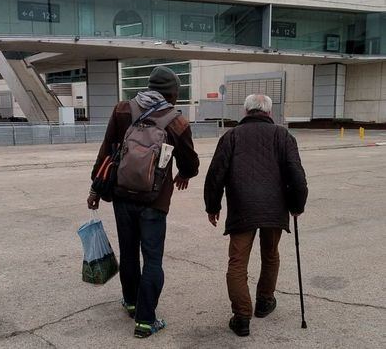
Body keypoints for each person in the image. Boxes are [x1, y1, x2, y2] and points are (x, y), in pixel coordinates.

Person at [87, 66, 199, 338]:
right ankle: (146, 321)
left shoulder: (122, 109)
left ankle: (131, 302)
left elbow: (106, 151)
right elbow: (191, 163)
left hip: (122, 195)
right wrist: (183, 174)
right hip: (154, 200)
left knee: (129, 253)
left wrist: (95, 188)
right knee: (152, 259)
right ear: (171, 93)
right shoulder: (176, 122)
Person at [204, 94, 308, 337]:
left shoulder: (231, 136)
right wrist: (297, 205)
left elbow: (215, 174)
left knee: (237, 262)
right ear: (269, 113)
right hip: (275, 207)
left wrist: (213, 206)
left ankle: (241, 317)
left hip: (242, 207)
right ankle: (264, 301)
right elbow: (297, 175)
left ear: (245, 111)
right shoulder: (283, 136)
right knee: (270, 255)